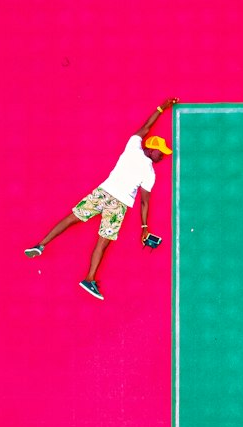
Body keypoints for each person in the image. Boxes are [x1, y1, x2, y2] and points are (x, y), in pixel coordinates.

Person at [24, 97, 179, 300]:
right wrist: (144, 227)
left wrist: (162, 107)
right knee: (102, 242)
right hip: (118, 205)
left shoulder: (132, 146)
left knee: (72, 218)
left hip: (102, 192)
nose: (163, 156)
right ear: (151, 148)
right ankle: (89, 279)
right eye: (162, 152)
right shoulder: (150, 173)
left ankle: (41, 244)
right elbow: (144, 201)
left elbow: (146, 125)